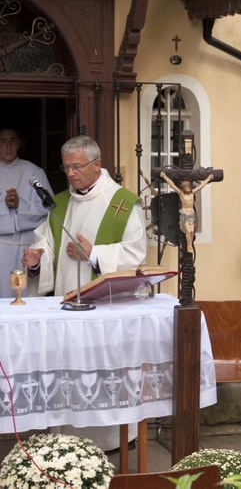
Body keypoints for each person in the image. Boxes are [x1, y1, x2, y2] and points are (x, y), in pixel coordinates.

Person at [22, 134, 147, 451]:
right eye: (66, 168)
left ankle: (112, 440)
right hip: (66, 309)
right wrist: (37, 261)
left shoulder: (122, 203)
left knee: (104, 370)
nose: (70, 174)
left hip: (106, 311)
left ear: (96, 165)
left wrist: (94, 255)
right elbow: (46, 247)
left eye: (76, 167)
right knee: (68, 370)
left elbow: (135, 255)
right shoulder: (60, 203)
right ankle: (67, 439)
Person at [0, 127, 51, 298]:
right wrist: (4, 205)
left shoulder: (34, 172)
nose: (8, 146)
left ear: (19, 143)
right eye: (2, 141)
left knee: (28, 299)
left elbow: (48, 209)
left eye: (13, 141)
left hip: (29, 250)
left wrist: (21, 205)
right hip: (1, 249)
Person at [159, 171, 213, 254]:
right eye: (185, 188)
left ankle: (190, 244)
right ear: (183, 189)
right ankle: (189, 246)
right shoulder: (181, 194)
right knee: (188, 231)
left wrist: (209, 178)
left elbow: (201, 185)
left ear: (190, 187)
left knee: (192, 231)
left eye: (188, 187)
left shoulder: (192, 193)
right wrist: (164, 176)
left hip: (191, 213)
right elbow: (172, 185)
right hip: (185, 214)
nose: (187, 189)